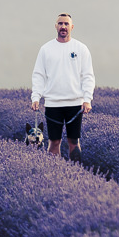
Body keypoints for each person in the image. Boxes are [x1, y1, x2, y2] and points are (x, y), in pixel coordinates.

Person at [30, 12, 94, 160]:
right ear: (55, 26)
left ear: (72, 27)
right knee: (54, 142)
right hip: (53, 104)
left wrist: (87, 99)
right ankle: (54, 173)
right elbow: (39, 75)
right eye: (60, 24)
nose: (63, 26)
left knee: (74, 141)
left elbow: (88, 76)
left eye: (66, 24)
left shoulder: (81, 48)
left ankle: (76, 172)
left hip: (74, 103)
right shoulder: (46, 49)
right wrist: (36, 97)